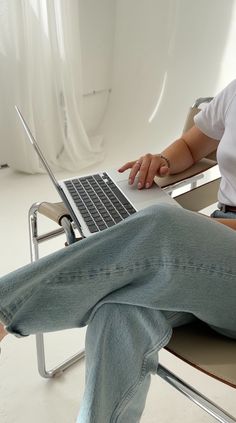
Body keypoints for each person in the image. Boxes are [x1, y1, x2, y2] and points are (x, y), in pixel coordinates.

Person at [1, 79, 236, 423]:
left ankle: (4, 312)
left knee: (162, 225)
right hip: (216, 257)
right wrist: (161, 161)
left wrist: (188, 233)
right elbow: (190, 145)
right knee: (119, 308)